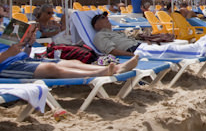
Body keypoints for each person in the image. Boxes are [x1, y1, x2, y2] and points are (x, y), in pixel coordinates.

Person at [0, 27, 139, 78]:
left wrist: (29, 44)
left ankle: (116, 68)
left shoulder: (2, 34)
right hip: (6, 67)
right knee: (51, 68)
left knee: (73, 62)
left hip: (22, 59)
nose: (2, 19)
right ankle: (100, 73)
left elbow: (26, 54)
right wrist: (8, 54)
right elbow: (6, 56)